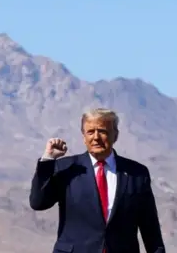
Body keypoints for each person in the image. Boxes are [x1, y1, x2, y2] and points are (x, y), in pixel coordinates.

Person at [29, 108, 165, 253]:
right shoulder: (66, 168)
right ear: (83, 137)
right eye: (90, 132)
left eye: (102, 131)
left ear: (115, 135)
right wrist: (47, 159)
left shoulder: (136, 173)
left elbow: (150, 228)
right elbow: (38, 203)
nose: (96, 137)